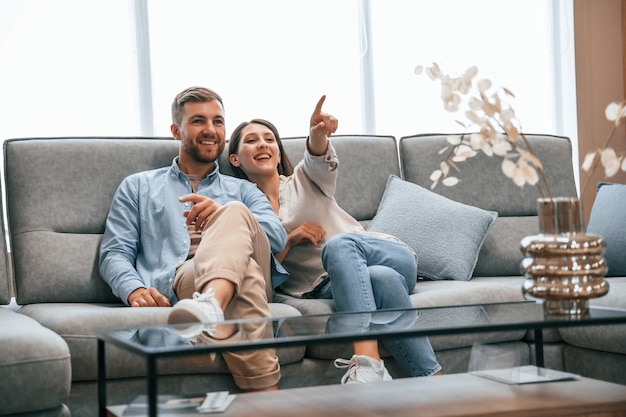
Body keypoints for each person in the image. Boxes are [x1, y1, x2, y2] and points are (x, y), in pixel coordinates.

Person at [227, 95, 442, 384]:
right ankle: (436, 381)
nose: (263, 144)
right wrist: (289, 240)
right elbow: (260, 277)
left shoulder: (305, 179)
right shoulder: (243, 211)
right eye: (252, 141)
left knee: (339, 244)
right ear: (235, 158)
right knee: (382, 280)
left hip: (385, 253)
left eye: (269, 139)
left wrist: (317, 136)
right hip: (325, 286)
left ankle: (368, 362)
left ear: (279, 152)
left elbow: (318, 158)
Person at [99, 86, 288, 392]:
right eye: (199, 121)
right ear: (177, 130)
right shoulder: (138, 186)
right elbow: (114, 252)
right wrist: (133, 289)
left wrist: (224, 216)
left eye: (218, 121)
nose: (211, 130)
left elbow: (276, 237)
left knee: (235, 212)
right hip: (183, 278)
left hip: (226, 269)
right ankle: (268, 399)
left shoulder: (242, 190)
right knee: (247, 275)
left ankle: (211, 308)